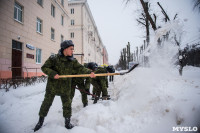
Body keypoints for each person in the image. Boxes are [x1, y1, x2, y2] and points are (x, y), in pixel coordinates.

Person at [33, 40, 95, 132]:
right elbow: (44, 67)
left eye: (73, 49)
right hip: (52, 87)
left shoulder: (73, 61)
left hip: (66, 87)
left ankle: (67, 122)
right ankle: (40, 121)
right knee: (46, 104)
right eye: (71, 49)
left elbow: (80, 68)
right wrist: (53, 73)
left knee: (67, 104)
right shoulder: (54, 58)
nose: (72, 51)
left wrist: (89, 72)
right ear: (65, 49)